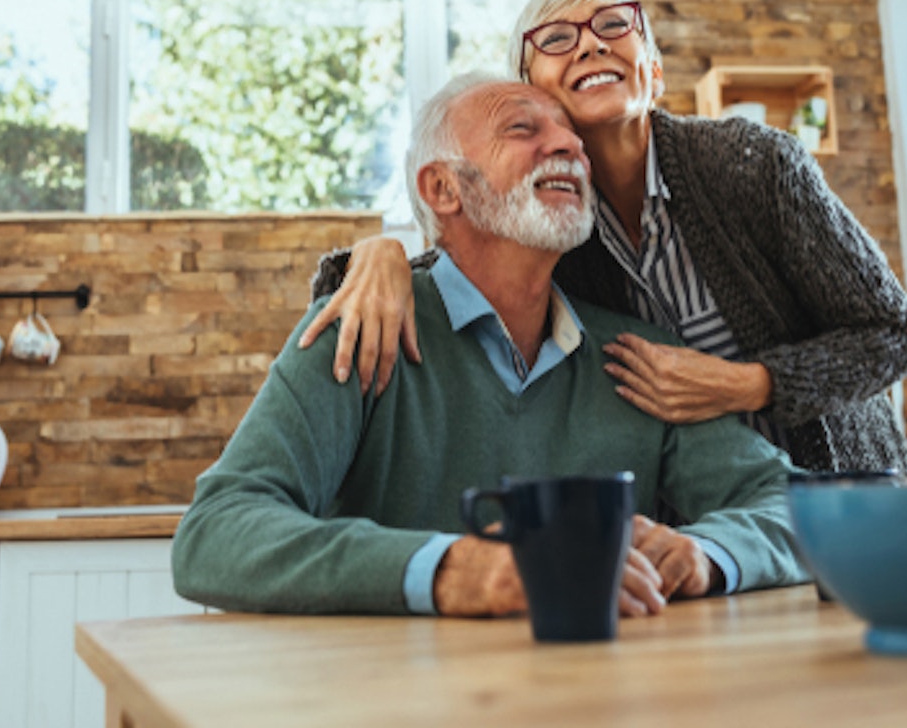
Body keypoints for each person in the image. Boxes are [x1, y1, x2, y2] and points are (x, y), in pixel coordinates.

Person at [171, 74, 808, 617]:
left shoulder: (641, 360)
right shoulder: (358, 330)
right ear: (443, 189)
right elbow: (214, 533)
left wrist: (709, 553)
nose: (569, 145)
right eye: (522, 129)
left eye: (571, 135)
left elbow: (800, 506)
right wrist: (455, 569)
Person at [302, 0, 907, 476]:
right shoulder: (545, 220)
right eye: (557, 38)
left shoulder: (755, 164)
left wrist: (747, 385)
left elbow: (893, 334)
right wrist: (377, 254)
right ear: (531, 93)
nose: (590, 45)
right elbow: (449, 271)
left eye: (612, 25)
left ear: (653, 71)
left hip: (837, 495)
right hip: (692, 530)